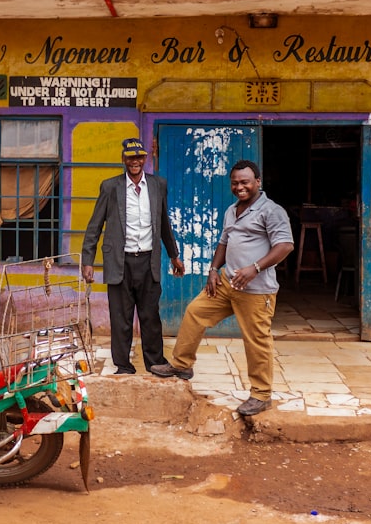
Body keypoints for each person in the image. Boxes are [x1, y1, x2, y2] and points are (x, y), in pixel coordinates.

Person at [150, 160, 293, 416]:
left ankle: (261, 395)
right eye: (235, 182)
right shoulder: (232, 210)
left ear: (257, 182)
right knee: (195, 311)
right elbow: (224, 242)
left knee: (256, 341)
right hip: (228, 282)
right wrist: (213, 270)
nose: (240, 187)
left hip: (256, 290)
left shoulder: (272, 211)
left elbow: (285, 246)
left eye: (245, 182)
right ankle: (182, 365)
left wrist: (255, 268)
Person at [82, 138, 185, 375]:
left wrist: (174, 255)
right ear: (124, 160)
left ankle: (155, 363)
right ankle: (123, 366)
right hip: (120, 262)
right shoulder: (110, 187)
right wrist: (87, 261)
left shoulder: (158, 185)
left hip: (148, 260)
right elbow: (94, 226)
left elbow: (164, 223)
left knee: (150, 316)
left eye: (139, 157)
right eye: (130, 158)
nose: (135, 162)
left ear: (145, 159)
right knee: (121, 318)